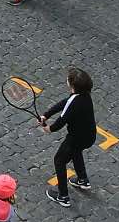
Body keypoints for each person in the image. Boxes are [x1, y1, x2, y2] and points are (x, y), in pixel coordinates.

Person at [38, 67, 97, 204]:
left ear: (72, 85)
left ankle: (63, 195)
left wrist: (49, 128)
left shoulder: (74, 101)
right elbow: (64, 103)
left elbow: (62, 120)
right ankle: (83, 180)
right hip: (89, 136)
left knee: (59, 160)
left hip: (75, 138)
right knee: (76, 153)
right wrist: (46, 114)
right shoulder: (84, 96)